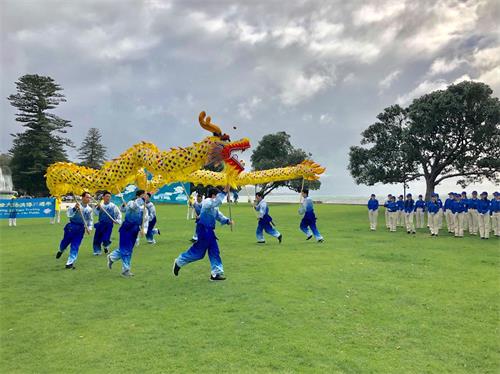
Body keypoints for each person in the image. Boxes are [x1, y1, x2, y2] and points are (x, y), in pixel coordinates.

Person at [172, 186, 233, 281]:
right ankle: (179, 261)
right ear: (213, 195)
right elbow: (216, 202)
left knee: (215, 252)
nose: (218, 198)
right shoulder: (207, 202)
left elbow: (218, 216)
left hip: (210, 232)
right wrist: (224, 192)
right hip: (203, 230)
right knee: (198, 253)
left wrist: (227, 221)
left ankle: (215, 274)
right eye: (217, 196)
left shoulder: (213, 206)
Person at [107, 190, 148, 277]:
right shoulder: (131, 203)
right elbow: (127, 208)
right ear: (138, 196)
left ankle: (112, 257)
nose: (146, 197)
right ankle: (125, 270)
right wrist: (124, 205)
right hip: (126, 228)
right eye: (144, 195)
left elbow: (145, 220)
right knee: (126, 249)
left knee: (128, 249)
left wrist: (144, 230)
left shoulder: (145, 208)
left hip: (135, 229)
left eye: (146, 195)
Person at [55, 192, 93, 269]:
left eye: (89, 197)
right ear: (82, 197)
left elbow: (90, 220)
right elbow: (68, 214)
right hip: (71, 227)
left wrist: (89, 228)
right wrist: (75, 209)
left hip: (80, 229)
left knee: (75, 245)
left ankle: (69, 262)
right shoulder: (75, 205)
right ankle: (61, 250)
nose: (88, 199)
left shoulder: (89, 209)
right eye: (87, 197)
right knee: (65, 242)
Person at [93, 191, 122, 256]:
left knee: (106, 237)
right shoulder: (100, 205)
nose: (108, 198)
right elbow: (95, 213)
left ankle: (106, 246)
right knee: (97, 238)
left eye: (109, 196)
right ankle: (97, 251)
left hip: (109, 224)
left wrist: (117, 220)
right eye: (106, 196)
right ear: (103, 197)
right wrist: (98, 208)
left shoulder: (113, 206)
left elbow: (118, 214)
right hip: (100, 224)